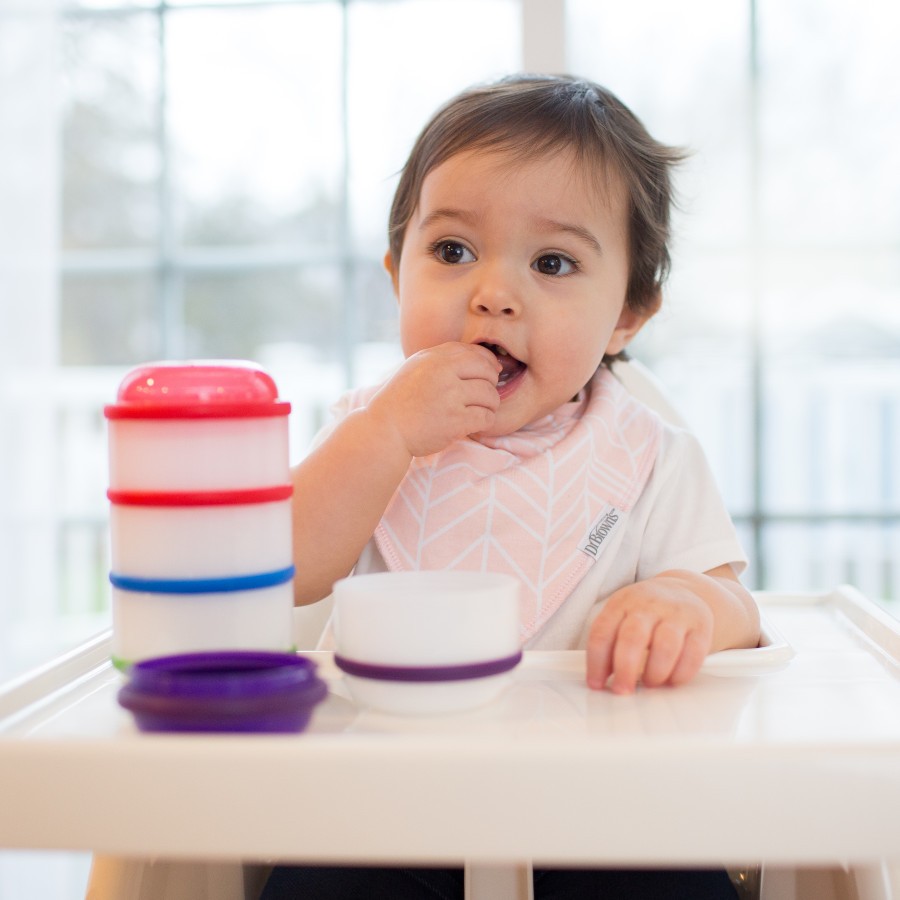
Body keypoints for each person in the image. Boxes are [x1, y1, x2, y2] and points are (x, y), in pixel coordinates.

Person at [264, 73, 759, 900]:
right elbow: (279, 568)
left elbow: (739, 613)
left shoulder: (650, 456)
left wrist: (686, 604)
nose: (492, 294)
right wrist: (384, 437)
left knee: (679, 878)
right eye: (451, 252)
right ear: (397, 274)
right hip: (379, 810)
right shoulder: (367, 429)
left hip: (604, 816)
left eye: (554, 262)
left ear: (629, 313)